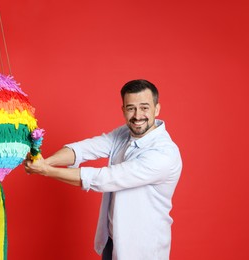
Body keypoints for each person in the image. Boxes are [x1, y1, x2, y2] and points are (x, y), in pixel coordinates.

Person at [24, 79, 182, 260]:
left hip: (142, 249)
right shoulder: (124, 133)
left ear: (157, 108)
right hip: (112, 241)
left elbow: (106, 178)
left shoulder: (164, 154)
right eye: (131, 108)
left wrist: (45, 170)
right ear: (123, 110)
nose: (138, 116)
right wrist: (46, 162)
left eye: (144, 107)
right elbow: (86, 148)